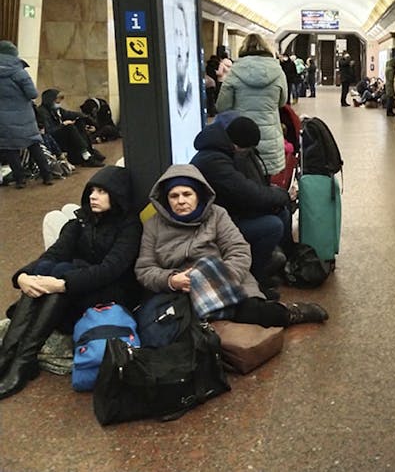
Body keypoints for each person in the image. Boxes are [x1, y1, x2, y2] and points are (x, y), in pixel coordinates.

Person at [0, 166, 142, 398]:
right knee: (49, 270)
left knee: (59, 279)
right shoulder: (81, 221)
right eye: (92, 190)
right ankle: (9, 355)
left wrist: (62, 283)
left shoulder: (129, 226)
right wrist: (22, 276)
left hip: (113, 294)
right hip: (79, 287)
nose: (93, 196)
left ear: (118, 195)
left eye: (102, 192)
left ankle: (23, 361)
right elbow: (53, 254)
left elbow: (110, 270)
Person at [134, 164, 328, 328]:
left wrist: (217, 280)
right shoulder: (154, 224)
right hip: (179, 290)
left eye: (187, 194)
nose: (181, 201)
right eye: (174, 196)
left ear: (198, 195)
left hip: (224, 279)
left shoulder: (217, 215)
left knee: (255, 314)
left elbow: (239, 251)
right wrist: (171, 280)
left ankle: (292, 313)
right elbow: (145, 268)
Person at [191, 116, 292, 296]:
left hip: (227, 213)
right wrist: (281, 195)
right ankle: (255, 277)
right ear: (239, 145)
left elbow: (246, 191)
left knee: (281, 213)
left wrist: (275, 199)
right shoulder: (214, 162)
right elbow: (247, 192)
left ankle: (276, 264)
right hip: (209, 226)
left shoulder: (221, 151)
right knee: (271, 226)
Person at [216, 34, 288, 179]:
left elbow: (222, 106)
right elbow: (282, 102)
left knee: (243, 183)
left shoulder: (235, 71)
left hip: (241, 139)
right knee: (266, 183)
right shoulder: (277, 71)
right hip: (270, 137)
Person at [0, 40, 54, 188]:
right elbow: (32, 93)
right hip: (24, 117)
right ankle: (47, 175)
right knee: (33, 145)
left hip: (3, 119)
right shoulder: (19, 72)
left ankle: (20, 180)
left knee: (10, 149)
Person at [36, 88, 105, 167]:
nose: (59, 103)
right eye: (57, 100)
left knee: (80, 122)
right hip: (53, 140)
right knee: (69, 128)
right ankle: (87, 157)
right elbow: (48, 131)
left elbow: (71, 114)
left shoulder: (56, 110)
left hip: (61, 135)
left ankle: (89, 151)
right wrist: (63, 125)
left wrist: (89, 120)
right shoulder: (42, 112)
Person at [384, 49, 395, 116]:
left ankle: (389, 111)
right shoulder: (391, 69)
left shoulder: (387, 68)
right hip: (390, 86)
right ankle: (389, 111)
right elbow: (391, 78)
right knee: (390, 99)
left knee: (389, 99)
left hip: (388, 85)